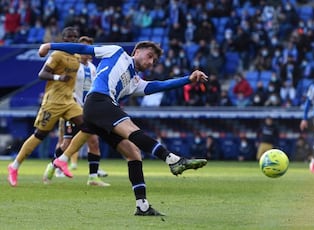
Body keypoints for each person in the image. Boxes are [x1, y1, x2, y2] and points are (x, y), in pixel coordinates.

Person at [38, 40, 208, 216]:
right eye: (150, 56)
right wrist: (50, 46)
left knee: (134, 154)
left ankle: (142, 206)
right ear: (137, 51)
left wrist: (187, 80)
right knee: (132, 130)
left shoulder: (135, 82)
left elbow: (158, 85)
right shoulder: (115, 51)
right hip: (99, 100)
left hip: (98, 108)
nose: (151, 62)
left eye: (155, 61)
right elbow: (83, 49)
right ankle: (172, 160)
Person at [7, 27, 83, 187]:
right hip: (52, 101)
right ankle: (14, 166)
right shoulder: (57, 55)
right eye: (69, 37)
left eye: (75, 37)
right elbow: (42, 74)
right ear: (63, 39)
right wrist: (58, 77)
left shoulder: (77, 57)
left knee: (88, 127)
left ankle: (61, 161)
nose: (73, 39)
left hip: (69, 101)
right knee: (40, 135)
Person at [43, 36, 109, 186]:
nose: (86, 52)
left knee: (94, 141)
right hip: (72, 108)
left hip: (88, 110)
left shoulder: (93, 68)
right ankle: (53, 165)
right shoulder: (73, 65)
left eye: (88, 49)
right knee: (67, 143)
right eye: (83, 48)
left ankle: (93, 177)